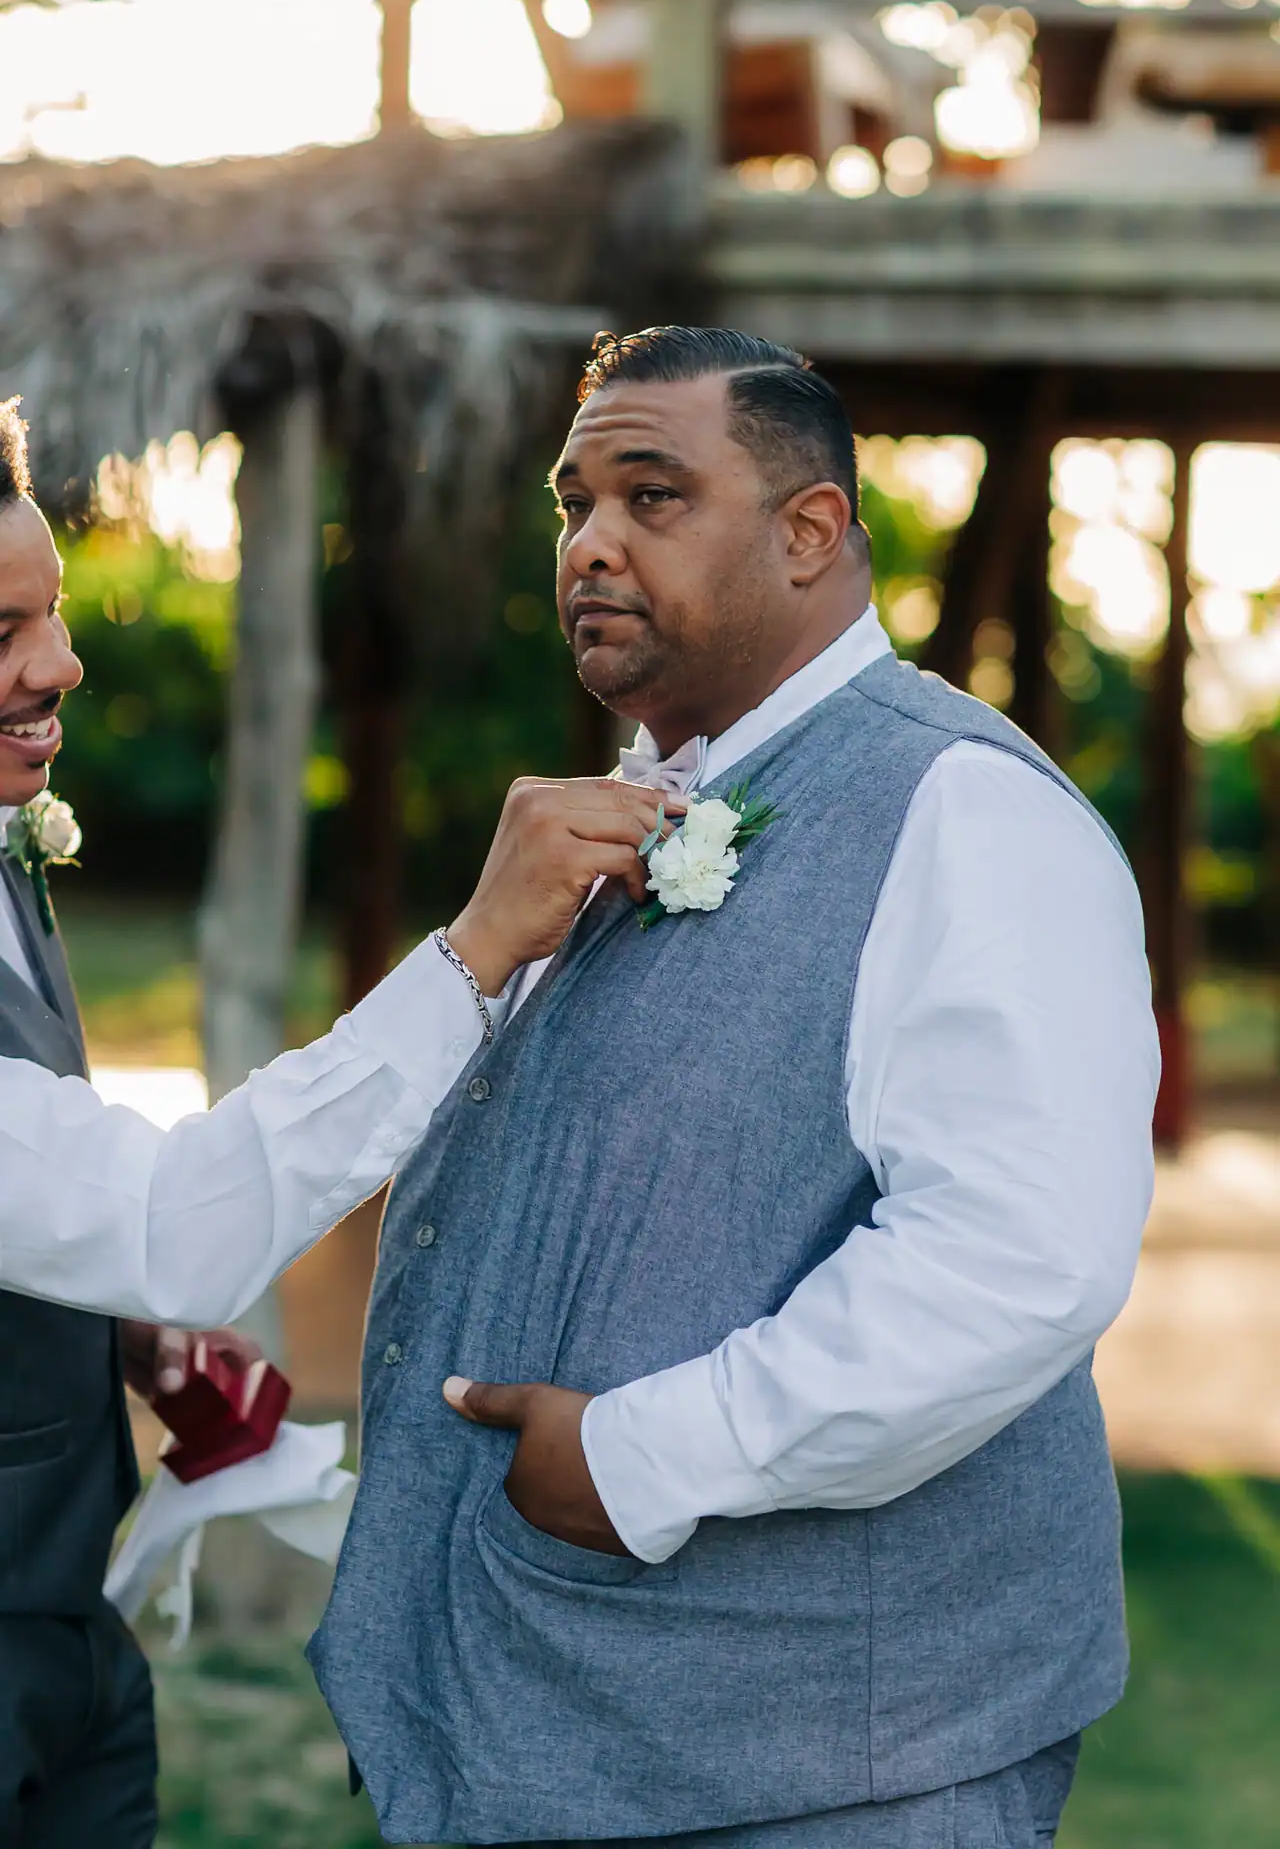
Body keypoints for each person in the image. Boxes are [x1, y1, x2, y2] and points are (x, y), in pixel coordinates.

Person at [304, 327, 1160, 1849]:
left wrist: (637, 1460)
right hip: (590, 1726)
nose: (591, 545)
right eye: (574, 504)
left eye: (653, 496)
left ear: (811, 531)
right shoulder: (627, 809)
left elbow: (1019, 1259)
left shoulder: (961, 809)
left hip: (826, 1764)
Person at [0, 395, 675, 1847]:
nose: (59, 664)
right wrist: (473, 951)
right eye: (0, 635)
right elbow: (162, 1218)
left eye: (45, 616)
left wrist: (110, 1332)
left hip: (65, 1641)